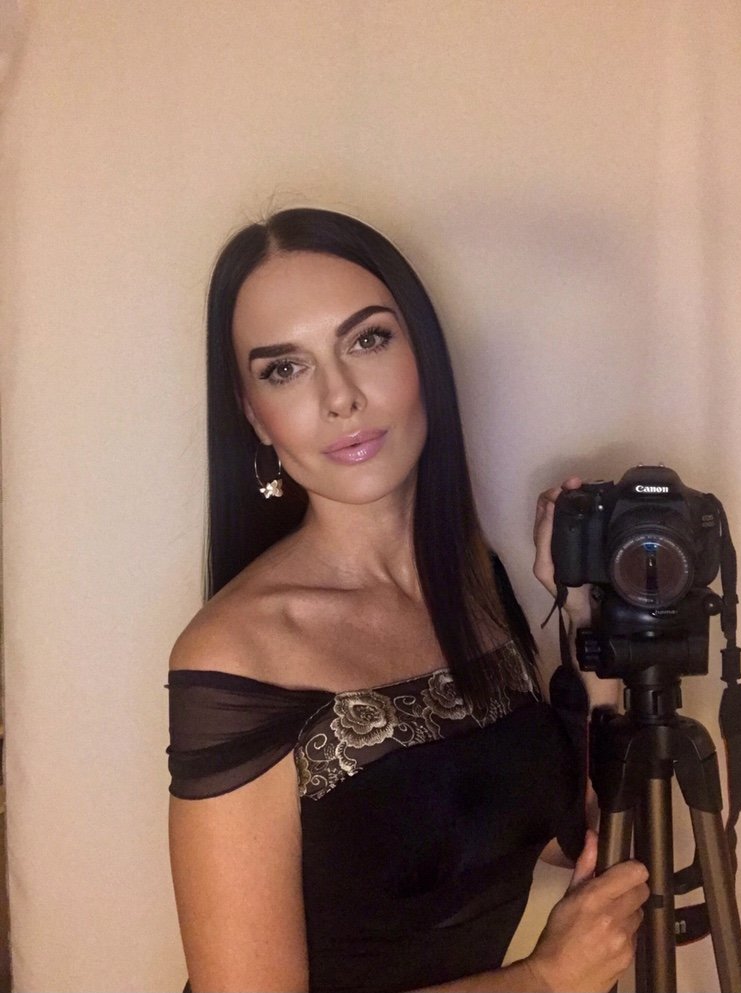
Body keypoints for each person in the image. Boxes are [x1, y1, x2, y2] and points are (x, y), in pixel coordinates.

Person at [166, 207, 648, 993]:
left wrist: (587, 615)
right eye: (284, 369)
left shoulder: (473, 579)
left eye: (367, 340)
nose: (340, 397)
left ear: (424, 350)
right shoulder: (237, 654)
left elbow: (571, 833)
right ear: (254, 414)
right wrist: (543, 981)